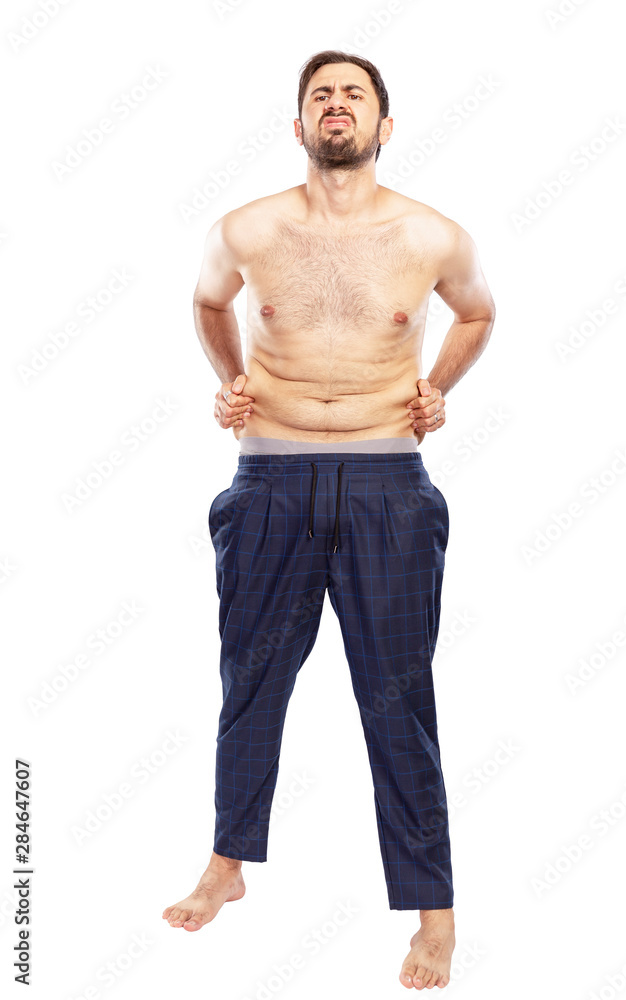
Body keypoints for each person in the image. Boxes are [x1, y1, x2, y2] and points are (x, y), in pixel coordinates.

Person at [163, 49, 496, 991]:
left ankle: (434, 915)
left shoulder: (434, 237)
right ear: (300, 125)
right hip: (268, 481)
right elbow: (205, 300)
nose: (336, 105)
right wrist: (230, 380)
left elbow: (477, 315)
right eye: (321, 96)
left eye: (354, 95)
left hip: (389, 485)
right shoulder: (247, 229)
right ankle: (228, 866)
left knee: (398, 702)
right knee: (250, 686)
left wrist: (437, 387)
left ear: (384, 127)